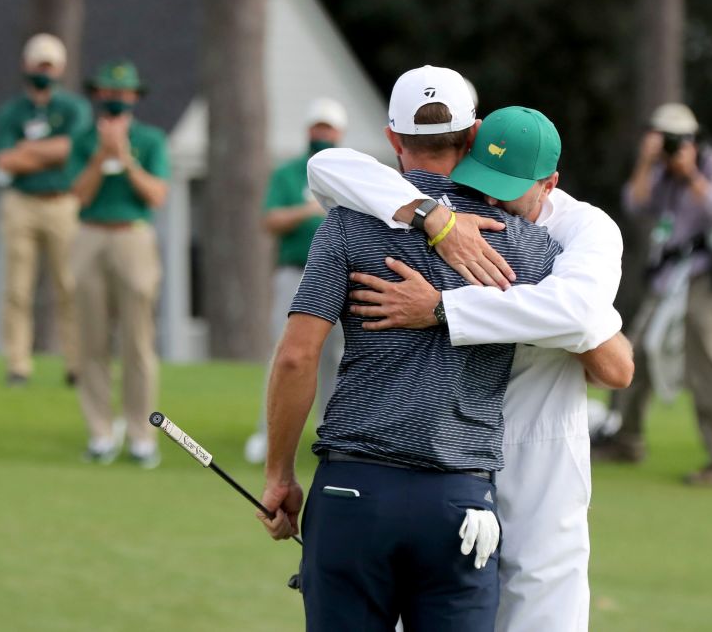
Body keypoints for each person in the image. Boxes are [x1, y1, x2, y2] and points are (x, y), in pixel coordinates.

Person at [258, 66, 564, 631]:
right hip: (460, 501)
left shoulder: (348, 223)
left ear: (393, 140)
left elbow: (298, 356)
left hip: (353, 491)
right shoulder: (526, 243)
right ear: (472, 137)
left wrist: (279, 474)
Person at [306, 105, 634, 632]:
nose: (489, 199)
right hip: (448, 442)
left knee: (539, 598)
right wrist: (435, 219)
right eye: (480, 179)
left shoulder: (584, 228)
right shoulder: (440, 208)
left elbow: (581, 319)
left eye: (507, 188)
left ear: (549, 183)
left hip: (539, 436)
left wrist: (441, 308)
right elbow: (328, 168)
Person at [595, 103, 712, 486]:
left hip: (709, 277)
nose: (671, 145)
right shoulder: (661, 172)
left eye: (676, 137)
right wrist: (647, 162)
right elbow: (635, 202)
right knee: (637, 350)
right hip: (670, 277)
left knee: (708, 360)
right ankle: (626, 439)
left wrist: (691, 172)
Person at [69, 60, 170, 468]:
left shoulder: (150, 139)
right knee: (91, 340)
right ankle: (99, 432)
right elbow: (79, 193)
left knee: (137, 341)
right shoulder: (80, 139)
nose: (114, 100)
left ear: (133, 98)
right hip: (90, 234)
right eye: (108, 92)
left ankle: (140, 434)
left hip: (133, 235)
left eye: (122, 93)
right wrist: (100, 155)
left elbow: (156, 195)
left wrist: (124, 156)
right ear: (98, 96)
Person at [243, 98, 347, 465]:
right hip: (296, 271)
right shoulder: (289, 173)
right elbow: (271, 220)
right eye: (318, 127)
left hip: (343, 276)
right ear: (309, 130)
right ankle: (267, 431)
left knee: (336, 355)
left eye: (329, 128)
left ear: (339, 133)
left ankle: (330, 431)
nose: (323, 133)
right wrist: (309, 210)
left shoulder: (348, 172)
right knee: (284, 352)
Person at [0, 33, 92, 386]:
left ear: (60, 68)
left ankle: (76, 363)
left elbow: (71, 149)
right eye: (38, 64)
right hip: (21, 202)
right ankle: (18, 363)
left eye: (49, 65)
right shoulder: (11, 111)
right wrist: (46, 152)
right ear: (26, 65)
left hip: (61, 201)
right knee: (17, 288)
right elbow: (5, 160)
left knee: (68, 284)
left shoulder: (73, 108)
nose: (43, 70)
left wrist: (29, 150)